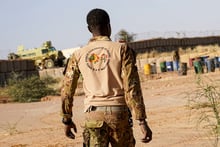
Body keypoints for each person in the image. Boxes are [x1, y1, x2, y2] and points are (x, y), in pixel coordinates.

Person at [61, 8, 152, 146]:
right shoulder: (122, 49)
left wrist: (67, 119)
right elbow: (132, 86)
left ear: (88, 29)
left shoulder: (78, 55)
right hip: (119, 114)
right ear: (109, 26)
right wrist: (141, 120)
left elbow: (67, 90)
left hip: (93, 115)